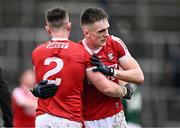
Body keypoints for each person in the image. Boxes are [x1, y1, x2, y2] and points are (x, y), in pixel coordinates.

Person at [31, 6, 133, 128]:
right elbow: (106, 87)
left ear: (47, 29)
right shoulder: (81, 52)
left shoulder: (37, 52)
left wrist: (35, 90)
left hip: (43, 118)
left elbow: (38, 84)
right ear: (69, 26)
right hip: (70, 119)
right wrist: (125, 91)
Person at [79, 7, 144, 128]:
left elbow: (139, 76)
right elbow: (107, 89)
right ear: (87, 33)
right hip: (88, 120)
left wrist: (112, 71)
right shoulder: (78, 53)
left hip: (115, 116)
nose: (106, 34)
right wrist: (125, 91)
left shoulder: (115, 43)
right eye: (101, 31)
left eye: (107, 29)